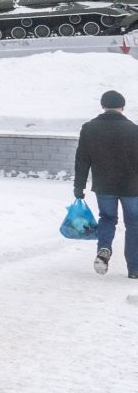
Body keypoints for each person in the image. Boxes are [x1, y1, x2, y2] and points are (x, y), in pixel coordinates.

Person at [74, 89, 138, 278]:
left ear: (103, 106)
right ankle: (134, 269)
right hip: (131, 186)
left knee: (108, 219)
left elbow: (82, 160)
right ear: (123, 107)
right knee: (134, 224)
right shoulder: (134, 130)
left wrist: (79, 186)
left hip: (104, 185)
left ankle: (104, 248)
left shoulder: (89, 128)